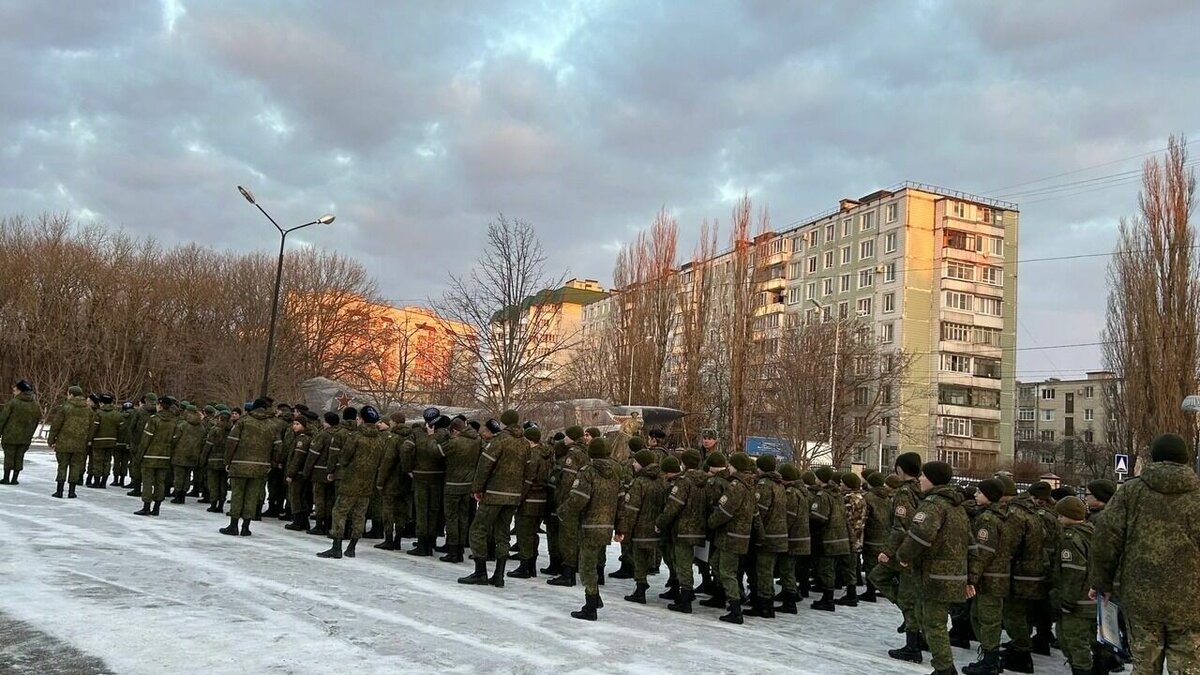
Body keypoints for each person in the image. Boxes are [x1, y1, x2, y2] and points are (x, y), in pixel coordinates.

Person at [1091, 433, 1200, 675]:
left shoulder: (1131, 492)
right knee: (1189, 666)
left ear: (1154, 457)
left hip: (1140, 596)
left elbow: (1106, 538)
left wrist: (1102, 582)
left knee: (1144, 665)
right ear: (1185, 459)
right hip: (1191, 601)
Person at [894, 461, 970, 675]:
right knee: (930, 619)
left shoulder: (933, 505)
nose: (920, 479)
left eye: (924, 476)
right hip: (954, 574)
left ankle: (945, 669)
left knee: (934, 624)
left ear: (933, 479)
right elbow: (970, 542)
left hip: (935, 575)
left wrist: (903, 556)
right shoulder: (957, 506)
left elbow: (920, 535)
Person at [458, 410, 526, 586]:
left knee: (478, 529)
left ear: (503, 423)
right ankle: (499, 574)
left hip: (494, 493)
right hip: (513, 495)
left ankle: (480, 571)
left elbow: (485, 465)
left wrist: (477, 488)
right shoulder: (524, 443)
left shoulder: (499, 440)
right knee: (503, 534)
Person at [560, 437, 621, 621]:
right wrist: (619, 526)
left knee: (586, 565)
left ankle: (590, 604)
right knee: (593, 562)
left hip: (589, 524)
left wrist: (563, 511)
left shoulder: (588, 472)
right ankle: (595, 598)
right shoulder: (615, 473)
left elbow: (578, 498)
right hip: (606, 525)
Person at [872, 451, 925, 660]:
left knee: (905, 596)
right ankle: (914, 624)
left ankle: (913, 645)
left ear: (900, 470)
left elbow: (901, 526)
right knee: (909, 596)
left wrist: (888, 551)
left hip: (904, 551)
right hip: (916, 549)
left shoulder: (904, 493)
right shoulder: (922, 489)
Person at [318, 405, 387, 558]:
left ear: (361, 420)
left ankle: (336, 547)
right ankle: (352, 547)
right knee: (359, 515)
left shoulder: (355, 437)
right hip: (368, 482)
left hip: (350, 480)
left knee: (340, 511)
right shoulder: (380, 440)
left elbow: (343, 458)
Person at [963, 478, 1013, 675]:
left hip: (990, 578)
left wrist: (971, 578)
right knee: (979, 616)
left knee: (988, 619)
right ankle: (989, 657)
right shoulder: (997, 515)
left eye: (979, 492)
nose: (975, 495)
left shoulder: (988, 520)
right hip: (994, 576)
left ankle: (991, 662)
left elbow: (983, 552)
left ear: (989, 495)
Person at [706, 452, 757, 625]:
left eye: (731, 464)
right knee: (715, 563)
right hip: (737, 536)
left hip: (731, 535)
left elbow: (725, 511)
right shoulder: (749, 485)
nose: (728, 467)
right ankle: (733, 596)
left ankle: (736, 608)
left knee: (727, 571)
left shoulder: (736, 486)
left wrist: (711, 523)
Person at [656, 449, 708, 614]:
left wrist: (660, 523)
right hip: (699, 528)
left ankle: (685, 600)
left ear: (684, 463)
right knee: (687, 563)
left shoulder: (683, 482)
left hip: (683, 529)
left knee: (683, 564)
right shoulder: (705, 480)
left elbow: (673, 507)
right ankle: (685, 594)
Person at [614, 448, 666, 603]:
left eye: (636, 462)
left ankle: (640, 587)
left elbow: (631, 509)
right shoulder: (661, 481)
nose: (634, 464)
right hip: (655, 528)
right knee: (648, 557)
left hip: (640, 528)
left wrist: (623, 529)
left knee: (639, 559)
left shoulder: (639, 482)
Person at [1052, 496, 1095, 675]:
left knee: (1073, 640)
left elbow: (1073, 572)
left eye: (1061, 516)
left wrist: (1067, 600)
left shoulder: (1071, 538)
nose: (1058, 519)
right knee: (1075, 638)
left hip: (1077, 600)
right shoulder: (1091, 531)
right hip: (1090, 599)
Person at [221, 398, 276, 534]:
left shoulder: (243, 422)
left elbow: (231, 443)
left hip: (240, 464)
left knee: (238, 494)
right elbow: (278, 446)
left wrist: (228, 461)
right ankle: (246, 527)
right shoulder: (272, 425)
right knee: (252, 496)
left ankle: (233, 525)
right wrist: (271, 463)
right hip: (260, 467)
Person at [548, 425, 590, 587]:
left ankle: (568, 574)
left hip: (570, 500)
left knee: (568, 538)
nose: (564, 439)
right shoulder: (585, 452)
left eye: (567, 437)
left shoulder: (573, 455)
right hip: (581, 500)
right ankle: (570, 570)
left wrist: (562, 503)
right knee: (574, 536)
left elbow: (567, 481)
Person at [747, 455, 787, 619]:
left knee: (763, 571)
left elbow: (758, 511)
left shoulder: (764, 486)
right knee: (767, 571)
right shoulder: (779, 485)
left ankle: (764, 605)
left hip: (767, 535)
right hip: (778, 534)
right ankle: (765, 603)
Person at [511, 427, 553, 578]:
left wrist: (518, 498)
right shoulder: (546, 454)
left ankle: (525, 566)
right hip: (541, 499)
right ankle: (531, 565)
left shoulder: (533, 456)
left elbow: (528, 479)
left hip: (529, 499)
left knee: (524, 534)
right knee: (532, 533)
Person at [809, 465, 853, 612]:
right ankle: (828, 597)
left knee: (826, 570)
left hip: (827, 538)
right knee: (831, 569)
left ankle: (828, 599)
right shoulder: (838, 494)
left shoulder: (823, 495)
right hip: (840, 537)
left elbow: (819, 517)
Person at [440, 417, 480, 563]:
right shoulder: (477, 440)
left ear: (455, 430)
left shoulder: (455, 442)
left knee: (451, 517)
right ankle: (461, 548)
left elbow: (437, 451)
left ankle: (452, 550)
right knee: (464, 517)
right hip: (468, 484)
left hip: (452, 484)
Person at [46, 385, 96, 499]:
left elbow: (56, 425)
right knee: (75, 466)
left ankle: (59, 490)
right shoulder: (88, 409)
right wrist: (87, 440)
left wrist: (51, 439)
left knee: (62, 466)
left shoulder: (65, 407)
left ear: (72, 394)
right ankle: (72, 491)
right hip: (80, 444)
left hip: (64, 443)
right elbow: (92, 427)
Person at [302, 412, 339, 536]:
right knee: (330, 499)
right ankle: (328, 524)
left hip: (319, 471)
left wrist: (306, 472)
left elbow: (313, 454)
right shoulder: (339, 434)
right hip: (334, 472)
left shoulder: (323, 435)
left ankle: (319, 525)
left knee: (319, 499)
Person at [0, 380, 42, 486]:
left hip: (10, 435)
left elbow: (3, 419)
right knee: (19, 457)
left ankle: (6, 478)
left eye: (15, 389)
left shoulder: (13, 403)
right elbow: (36, 421)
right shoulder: (35, 405)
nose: (14, 391)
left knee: (9, 456)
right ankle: (15, 478)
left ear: (20, 390)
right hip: (25, 437)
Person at [860, 471, 892, 602]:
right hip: (886, 536)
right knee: (881, 565)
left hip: (871, 536)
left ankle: (870, 591)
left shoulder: (868, 497)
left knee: (869, 564)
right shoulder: (888, 498)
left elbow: (863, 518)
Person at [170, 404, 206, 504]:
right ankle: (183, 496)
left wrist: (172, 449)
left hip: (180, 454)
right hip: (194, 455)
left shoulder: (183, 425)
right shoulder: (201, 427)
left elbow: (175, 439)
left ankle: (178, 496)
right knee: (187, 476)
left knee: (179, 476)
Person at [87, 394, 123, 489]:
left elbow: (94, 428)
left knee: (97, 461)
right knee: (107, 461)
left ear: (101, 402)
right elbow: (121, 429)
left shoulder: (98, 413)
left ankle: (97, 481)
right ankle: (103, 482)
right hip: (111, 442)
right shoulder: (117, 414)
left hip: (98, 442)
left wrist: (90, 439)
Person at [125, 393, 158, 497]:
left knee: (137, 465)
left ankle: (137, 488)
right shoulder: (157, 412)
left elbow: (131, 427)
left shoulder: (139, 411)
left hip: (138, 443)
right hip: (152, 444)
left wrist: (132, 440)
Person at [202, 408, 232, 513]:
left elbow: (208, 446)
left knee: (213, 483)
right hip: (225, 462)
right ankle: (221, 505)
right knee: (223, 484)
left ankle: (213, 504)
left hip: (213, 461)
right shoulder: (232, 430)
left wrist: (203, 460)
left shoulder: (214, 429)